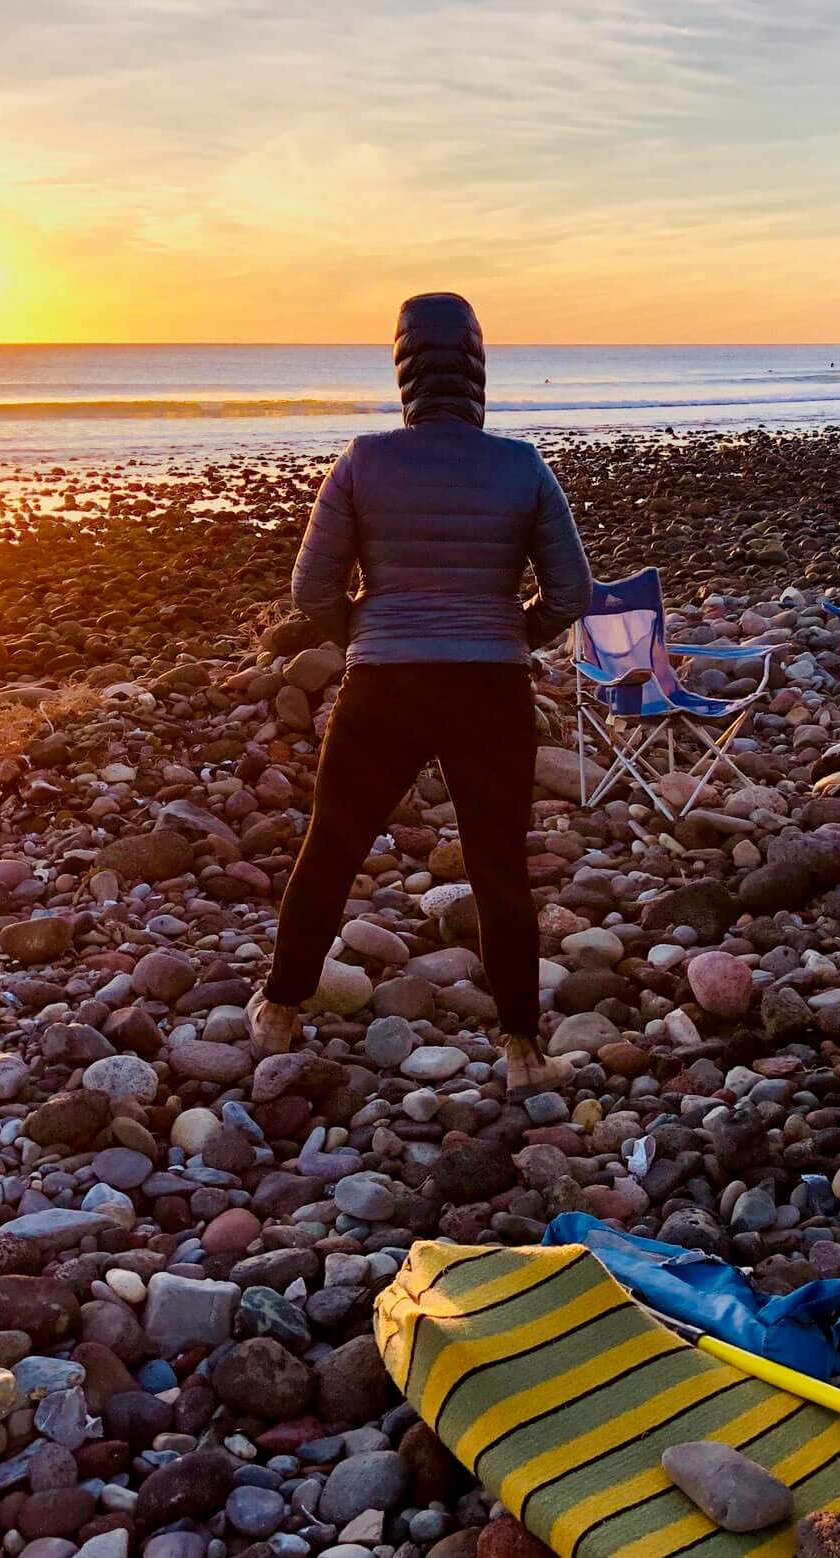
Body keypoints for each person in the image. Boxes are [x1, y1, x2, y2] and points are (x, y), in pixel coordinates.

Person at [248, 292, 593, 1096]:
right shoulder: (522, 466)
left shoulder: (364, 460)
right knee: (499, 867)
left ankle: (279, 1012)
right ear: (478, 365)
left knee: (331, 845)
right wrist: (515, 634)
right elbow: (571, 593)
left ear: (402, 366)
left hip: (384, 683)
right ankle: (522, 1053)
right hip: (490, 688)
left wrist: (362, 631)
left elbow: (311, 589)